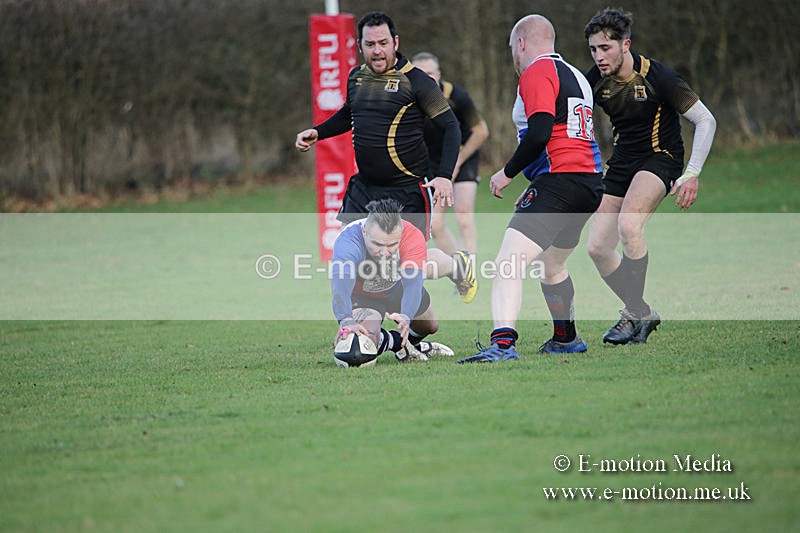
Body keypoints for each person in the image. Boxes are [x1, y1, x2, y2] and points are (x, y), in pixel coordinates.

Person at [295, 11, 477, 304]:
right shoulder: (357, 78)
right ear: (360, 45)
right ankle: (355, 325)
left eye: (382, 42)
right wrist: (318, 132)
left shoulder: (417, 82)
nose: (377, 50)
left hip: (407, 189)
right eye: (370, 44)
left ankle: (457, 266)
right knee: (350, 253)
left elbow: (451, 127)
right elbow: (348, 116)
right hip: (364, 187)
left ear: (395, 42)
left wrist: (444, 175)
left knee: (408, 266)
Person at [457, 14, 604, 364]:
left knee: (508, 263)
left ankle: (503, 346)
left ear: (521, 43)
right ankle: (566, 338)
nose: (512, 56)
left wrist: (506, 173)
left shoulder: (537, 71)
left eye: (512, 48)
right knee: (552, 265)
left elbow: (540, 131)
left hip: (560, 180)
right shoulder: (577, 77)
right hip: (589, 184)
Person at [583, 8, 717, 345]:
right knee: (597, 247)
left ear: (625, 44)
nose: (599, 56)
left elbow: (705, 120)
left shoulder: (659, 76)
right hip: (622, 161)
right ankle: (640, 311)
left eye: (606, 48)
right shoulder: (593, 81)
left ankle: (632, 317)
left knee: (629, 226)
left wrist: (693, 174)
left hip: (661, 158)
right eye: (594, 49)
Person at [331, 199, 454, 364]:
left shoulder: (411, 235)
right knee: (363, 342)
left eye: (391, 245)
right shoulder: (348, 240)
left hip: (398, 287)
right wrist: (346, 320)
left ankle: (411, 344)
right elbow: (341, 286)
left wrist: (406, 316)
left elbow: (413, 284)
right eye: (377, 244)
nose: (384, 252)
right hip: (363, 296)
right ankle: (395, 341)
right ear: (365, 231)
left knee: (430, 327)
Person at [411, 52, 489, 258]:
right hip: (434, 163)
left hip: (464, 157)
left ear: (439, 74)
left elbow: (481, 131)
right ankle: (461, 269)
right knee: (435, 225)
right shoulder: (409, 99)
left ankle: (469, 266)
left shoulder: (456, 96)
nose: (426, 78)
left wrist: (456, 164)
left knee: (463, 216)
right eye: (420, 73)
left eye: (430, 73)